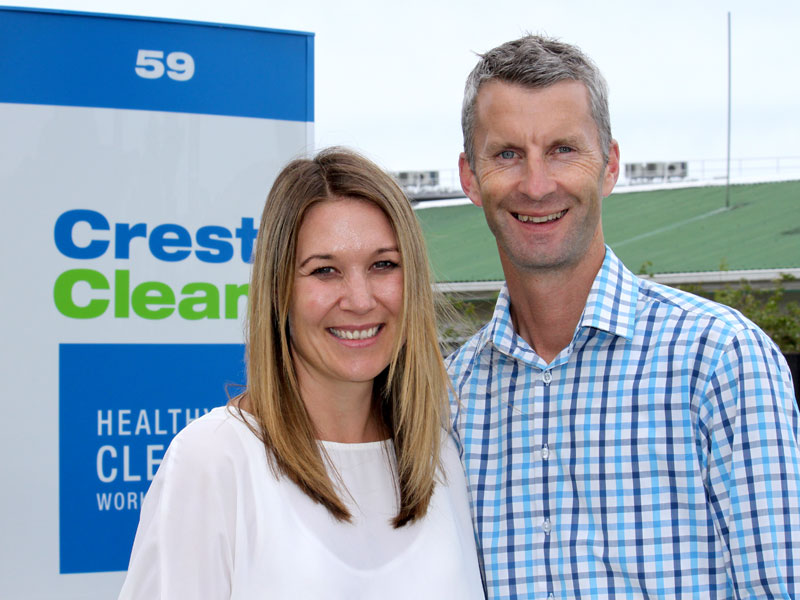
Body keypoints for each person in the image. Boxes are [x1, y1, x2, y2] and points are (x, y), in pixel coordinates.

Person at [447, 35, 800, 599]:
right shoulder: (448, 398)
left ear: (609, 165)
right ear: (470, 177)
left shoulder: (721, 360)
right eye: (507, 154)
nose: (536, 185)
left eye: (563, 149)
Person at [119, 148, 485, 599]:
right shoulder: (214, 461)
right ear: (279, 290)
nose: (360, 300)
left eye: (383, 265)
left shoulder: (438, 456)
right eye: (325, 271)